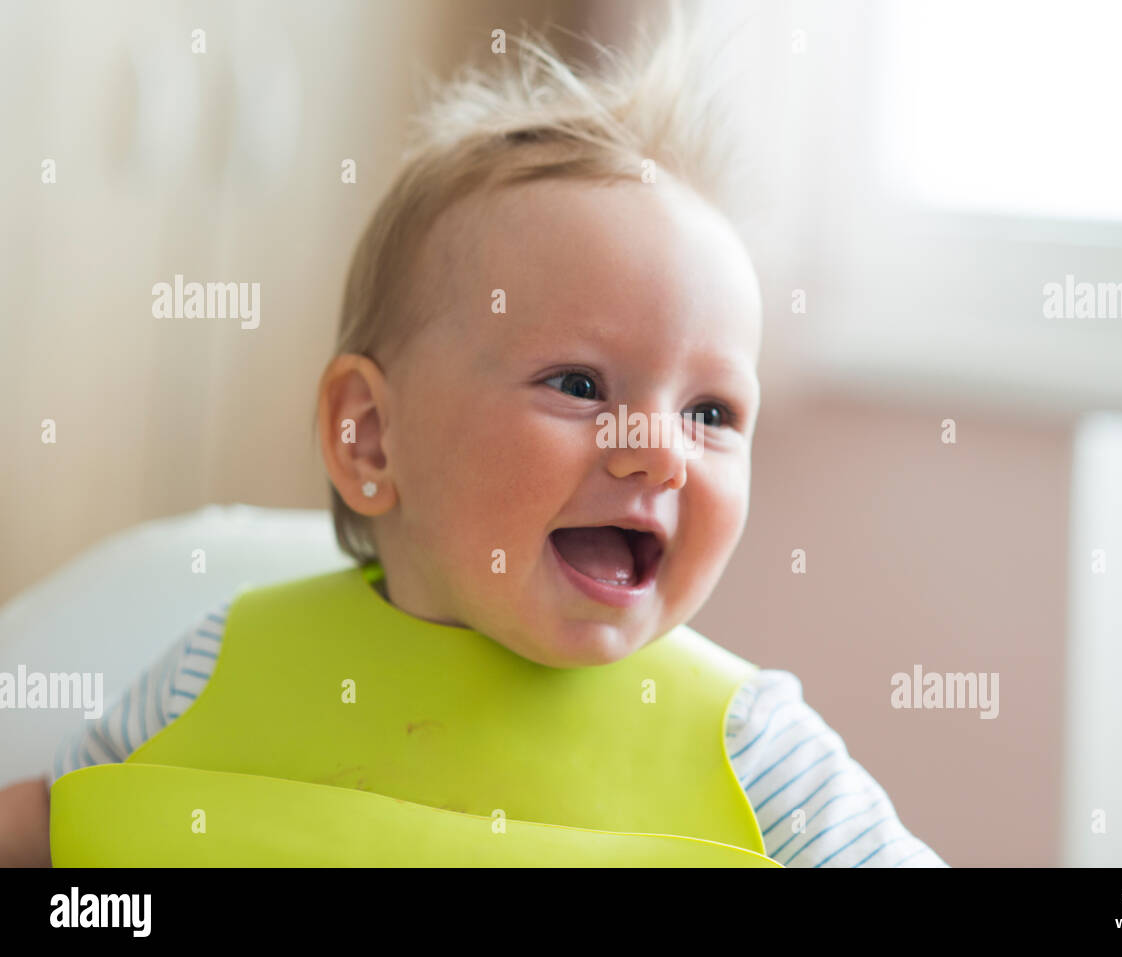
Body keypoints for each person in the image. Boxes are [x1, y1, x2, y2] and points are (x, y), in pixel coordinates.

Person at [4, 9, 946, 868]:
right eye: (580, 385)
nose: (661, 451)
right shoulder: (216, 672)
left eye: (712, 413)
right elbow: (61, 827)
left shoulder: (754, 754)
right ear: (371, 438)